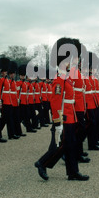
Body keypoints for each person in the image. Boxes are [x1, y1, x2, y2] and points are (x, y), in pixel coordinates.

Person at [34, 37, 89, 181]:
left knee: (70, 145)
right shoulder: (59, 81)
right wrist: (58, 122)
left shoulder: (67, 79)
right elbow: (56, 102)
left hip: (71, 116)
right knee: (62, 145)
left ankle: (72, 172)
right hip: (64, 117)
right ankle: (42, 163)